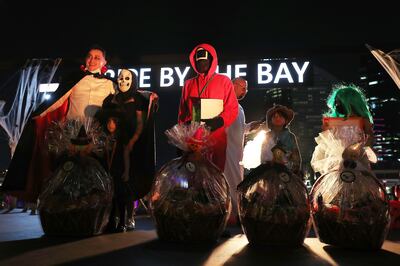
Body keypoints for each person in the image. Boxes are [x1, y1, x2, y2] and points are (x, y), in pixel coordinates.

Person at [1, 45, 115, 204]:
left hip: (97, 136)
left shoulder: (110, 84)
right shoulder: (75, 79)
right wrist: (38, 115)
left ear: (104, 62)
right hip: (72, 133)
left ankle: (95, 205)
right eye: (89, 56)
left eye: (97, 57)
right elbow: (57, 101)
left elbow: (122, 103)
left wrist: (148, 97)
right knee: (69, 170)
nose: (92, 60)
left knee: (95, 171)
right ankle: (68, 205)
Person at [98, 69, 156, 232]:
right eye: (121, 78)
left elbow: (140, 123)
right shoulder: (111, 100)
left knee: (128, 183)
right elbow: (105, 121)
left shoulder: (138, 99)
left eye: (127, 78)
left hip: (131, 147)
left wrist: (132, 142)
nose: (123, 81)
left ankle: (128, 217)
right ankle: (114, 217)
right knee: (114, 181)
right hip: (113, 147)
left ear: (133, 80)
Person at [178, 43, 238, 171]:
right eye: (198, 60)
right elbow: (183, 113)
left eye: (204, 60)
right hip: (193, 141)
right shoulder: (189, 84)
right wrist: (181, 138)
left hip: (216, 139)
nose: (201, 63)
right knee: (193, 178)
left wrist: (219, 121)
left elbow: (232, 108)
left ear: (212, 60)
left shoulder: (224, 81)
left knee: (214, 178)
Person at [311, 83, 375, 175]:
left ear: (351, 103)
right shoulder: (329, 122)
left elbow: (370, 140)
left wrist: (358, 149)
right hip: (336, 163)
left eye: (340, 102)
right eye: (336, 102)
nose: (337, 105)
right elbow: (325, 144)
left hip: (358, 160)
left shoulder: (364, 121)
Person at [224, 77, 248, 225]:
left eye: (246, 88)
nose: (245, 90)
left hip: (237, 152)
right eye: (242, 87)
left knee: (237, 181)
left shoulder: (240, 108)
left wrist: (251, 126)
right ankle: (231, 214)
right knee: (229, 181)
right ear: (233, 85)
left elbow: (240, 129)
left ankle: (237, 212)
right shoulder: (224, 103)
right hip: (226, 150)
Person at [260, 104, 302, 174]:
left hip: (287, 171)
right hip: (270, 171)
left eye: (280, 116)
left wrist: (295, 170)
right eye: (274, 116)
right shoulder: (267, 136)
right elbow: (263, 155)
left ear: (285, 120)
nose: (277, 118)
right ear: (271, 121)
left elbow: (296, 156)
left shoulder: (290, 136)